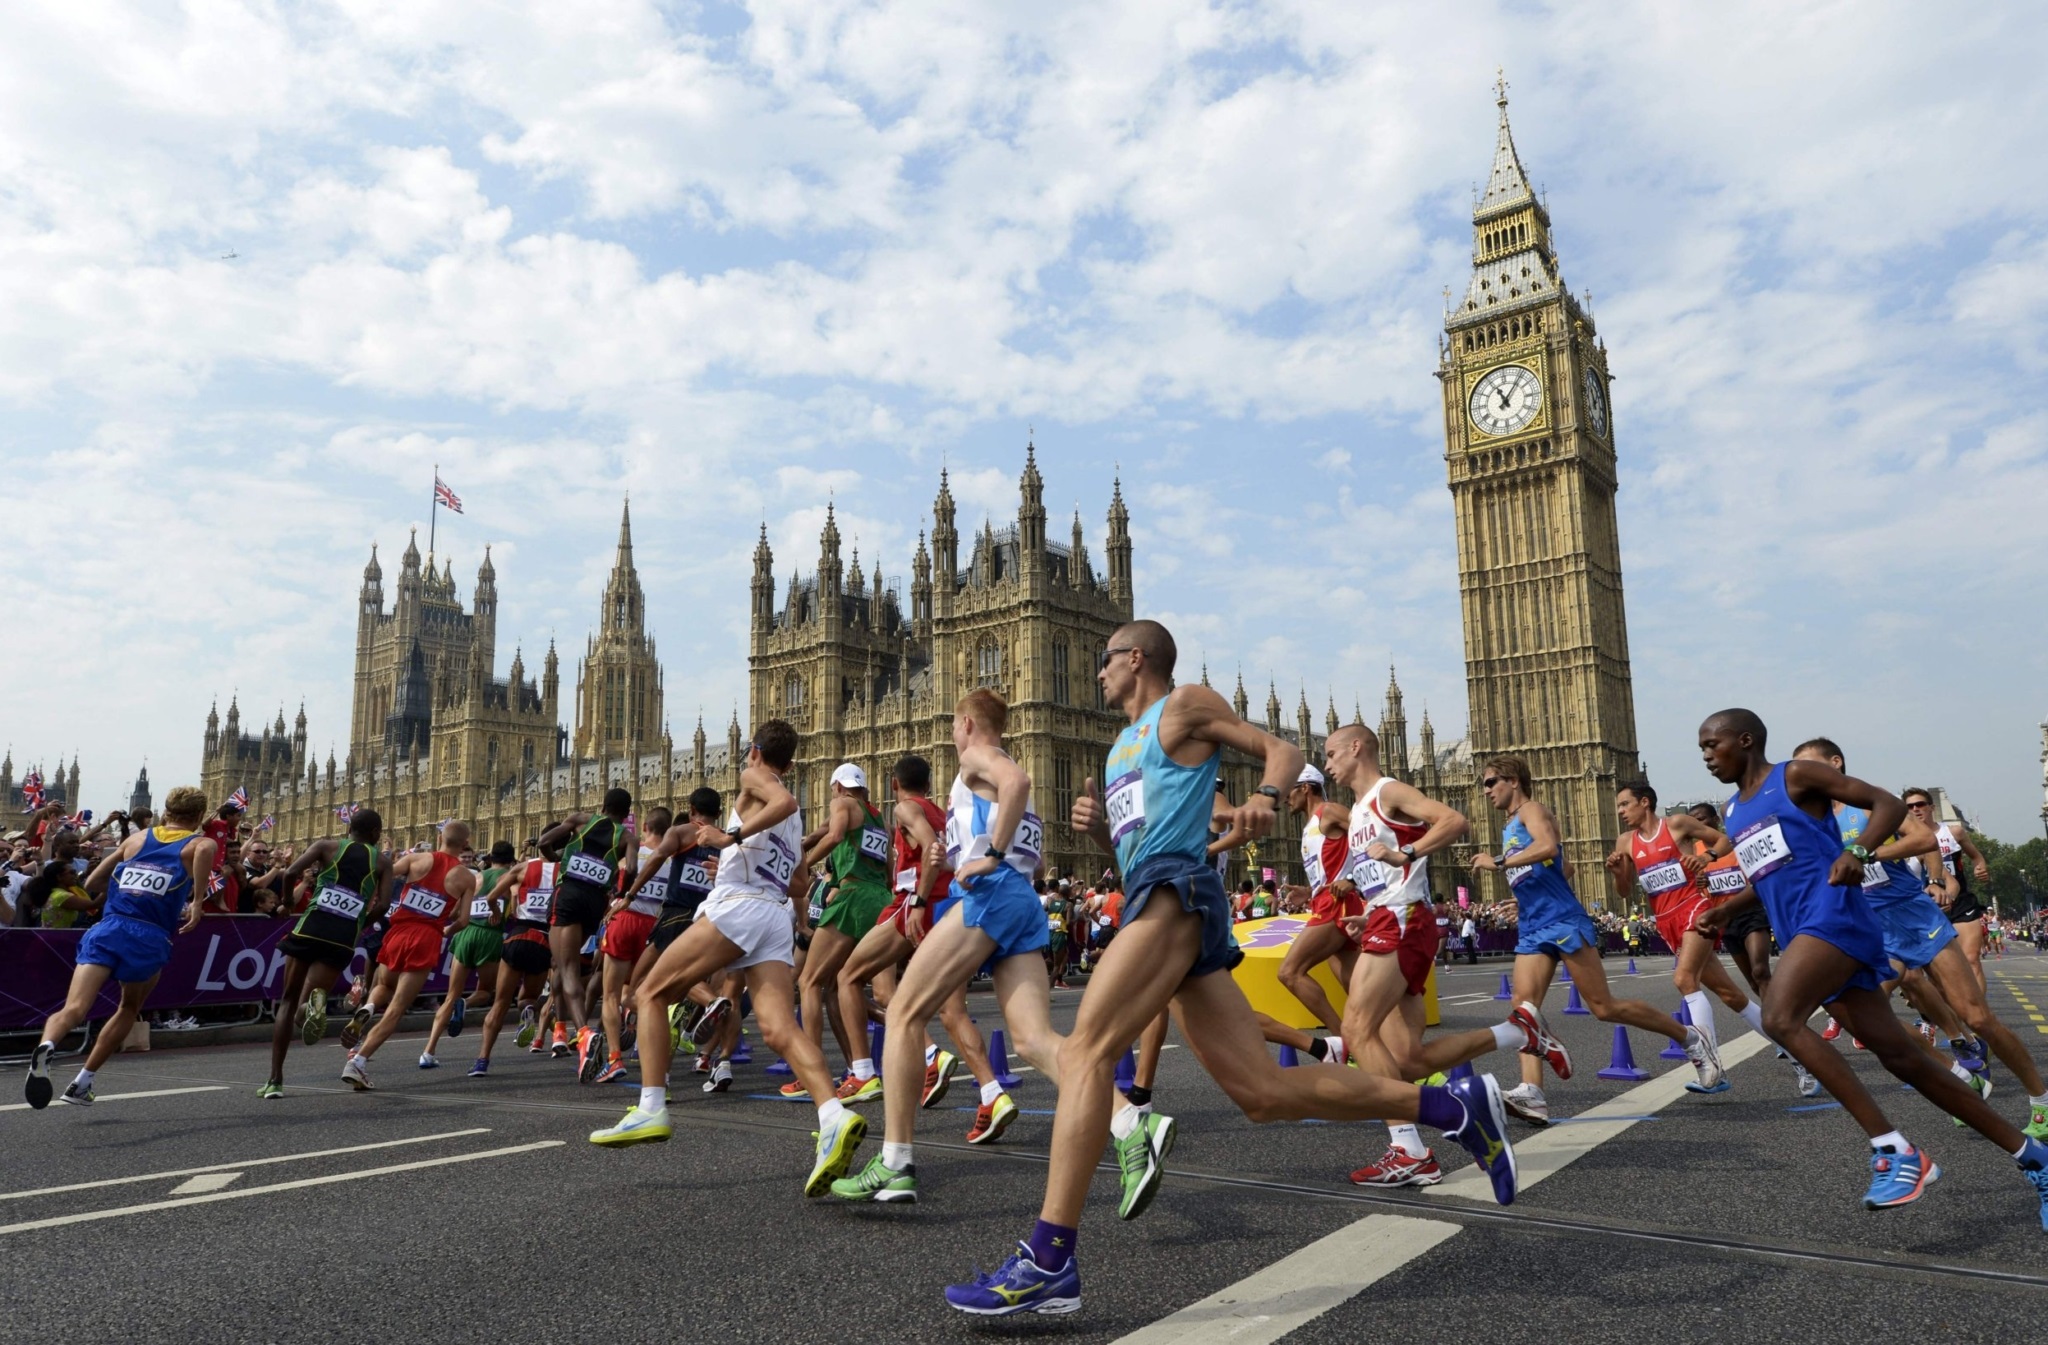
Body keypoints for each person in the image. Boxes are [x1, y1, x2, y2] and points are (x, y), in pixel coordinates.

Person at [944, 622, 1515, 1318]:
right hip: (1157, 892)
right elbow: (1138, 849)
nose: (1096, 674)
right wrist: (1100, 831)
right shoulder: (1122, 744)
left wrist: (1266, 799)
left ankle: (1049, 1258)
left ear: (1134, 659)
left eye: (1104, 661)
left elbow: (1282, 747)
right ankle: (1453, 1108)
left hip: (1175, 894)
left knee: (1088, 1049)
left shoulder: (1182, 704)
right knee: (1264, 1091)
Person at [1695, 711, 2048, 1218]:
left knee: (1778, 1018)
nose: (1706, 755)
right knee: (1904, 1059)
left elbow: (1883, 802)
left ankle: (1895, 1149)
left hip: (1835, 920)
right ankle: (2034, 1158)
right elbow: (1768, 874)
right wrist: (1725, 909)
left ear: (1745, 741)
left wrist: (1858, 849)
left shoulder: (1794, 775)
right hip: (1803, 933)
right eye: (1702, 748)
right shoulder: (1732, 810)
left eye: (1713, 744)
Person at [832, 691, 1099, 1203]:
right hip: (1018, 898)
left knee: (905, 1009)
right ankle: (1132, 1124)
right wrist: (956, 856)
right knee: (1034, 1040)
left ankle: (896, 1161)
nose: (951, 734)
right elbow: (1035, 862)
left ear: (968, 722)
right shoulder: (1002, 783)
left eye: (954, 724)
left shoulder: (982, 758)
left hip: (990, 897)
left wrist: (988, 857)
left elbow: (1011, 796)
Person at [588, 721, 868, 1201]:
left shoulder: (755, 778)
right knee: (780, 1029)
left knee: (649, 992)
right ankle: (833, 1116)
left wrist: (729, 840)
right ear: (793, 762)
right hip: (774, 917)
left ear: (756, 751)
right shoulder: (793, 823)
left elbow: (784, 802)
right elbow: (799, 883)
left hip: (739, 908)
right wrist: (747, 854)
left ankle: (651, 1106)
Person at [1322, 722, 1566, 1187]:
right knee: (1409, 1060)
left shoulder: (1387, 790)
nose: (1328, 763)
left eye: (1332, 754)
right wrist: (1366, 906)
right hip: (1387, 917)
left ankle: (1409, 1150)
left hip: (1401, 920)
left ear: (1356, 748)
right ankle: (1516, 1031)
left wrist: (1407, 853)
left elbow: (1455, 821)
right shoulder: (1357, 811)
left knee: (1356, 1028)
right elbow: (1381, 874)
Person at [1472, 757, 1720, 1125]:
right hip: (1534, 924)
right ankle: (1532, 1094)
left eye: (1491, 782)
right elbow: (1566, 868)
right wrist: (1525, 896)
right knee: (1524, 1009)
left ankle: (1689, 1038)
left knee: (1604, 1007)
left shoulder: (1531, 810)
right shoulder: (1510, 824)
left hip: (1562, 921)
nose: (1487, 790)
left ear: (1512, 781)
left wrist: (1498, 862)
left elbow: (1548, 848)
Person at [826, 755, 1013, 1141]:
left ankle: (862, 1072)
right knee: (948, 1010)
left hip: (914, 905)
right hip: (952, 908)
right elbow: (949, 857)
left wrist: (920, 901)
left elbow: (931, 851)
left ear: (894, 784)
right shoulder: (942, 812)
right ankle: (991, 1092)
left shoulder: (906, 809)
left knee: (846, 976)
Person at [24, 786, 216, 1109]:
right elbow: (205, 851)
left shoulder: (135, 841)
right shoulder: (198, 842)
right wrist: (196, 901)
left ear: (166, 812)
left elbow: (93, 882)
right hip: (149, 936)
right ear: (198, 817)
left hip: (109, 928)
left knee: (73, 1009)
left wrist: (125, 885)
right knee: (128, 1007)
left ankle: (47, 1044)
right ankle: (82, 1082)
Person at [1605, 779, 1777, 1094]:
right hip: (1666, 919)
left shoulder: (1677, 824)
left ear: (1645, 802)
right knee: (1731, 996)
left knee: (1684, 979)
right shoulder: (1625, 842)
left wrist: (1706, 857)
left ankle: (1709, 1066)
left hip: (1694, 908)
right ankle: (1796, 1050)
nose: (1620, 811)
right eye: (1618, 806)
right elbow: (1625, 890)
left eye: (1625, 804)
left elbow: (1724, 840)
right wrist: (1618, 873)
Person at [259, 809, 392, 1098]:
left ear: (349, 829)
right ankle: (313, 1007)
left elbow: (291, 872)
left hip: (311, 927)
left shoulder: (326, 847)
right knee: (306, 1002)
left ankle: (275, 1081)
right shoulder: (381, 862)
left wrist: (287, 904)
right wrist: (360, 922)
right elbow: (382, 906)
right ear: (375, 834)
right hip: (342, 937)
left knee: (288, 1003)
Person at [342, 822, 477, 1091]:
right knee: (396, 1009)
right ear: (465, 844)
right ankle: (357, 1062)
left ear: (440, 837)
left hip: (397, 932)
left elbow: (383, 872)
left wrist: (372, 902)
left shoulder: (415, 858)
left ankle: (367, 1009)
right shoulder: (466, 877)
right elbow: (463, 920)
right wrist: (444, 929)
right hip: (426, 936)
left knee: (382, 985)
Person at [789, 764, 897, 1100]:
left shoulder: (841, 804)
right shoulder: (880, 820)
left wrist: (801, 866)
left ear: (837, 786)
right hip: (880, 899)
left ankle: (810, 1072)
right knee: (842, 986)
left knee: (808, 981)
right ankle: (860, 1069)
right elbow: (889, 869)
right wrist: (804, 843)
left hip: (852, 898)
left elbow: (834, 835)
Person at [537, 788, 637, 1082]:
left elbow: (544, 842)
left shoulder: (581, 819)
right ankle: (563, 1029)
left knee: (566, 969)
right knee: (564, 966)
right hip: (596, 901)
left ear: (603, 805)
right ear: (626, 813)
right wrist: (621, 890)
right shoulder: (627, 837)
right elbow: (630, 868)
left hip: (568, 893)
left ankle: (582, 1033)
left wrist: (556, 857)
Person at [1273, 765, 1354, 1051]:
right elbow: (1332, 869)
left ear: (1305, 787)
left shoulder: (1329, 811)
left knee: (1289, 972)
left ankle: (1346, 1043)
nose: (1285, 798)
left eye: (1289, 790)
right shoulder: (1310, 826)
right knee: (1359, 993)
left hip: (1337, 906)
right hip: (1326, 901)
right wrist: (1309, 891)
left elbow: (1374, 833)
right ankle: (1381, 1049)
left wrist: (1353, 879)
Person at [592, 808, 673, 1084]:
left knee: (610, 995)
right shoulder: (672, 861)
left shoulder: (630, 853)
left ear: (646, 827)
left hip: (624, 920)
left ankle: (615, 1058)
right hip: (653, 925)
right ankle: (659, 1063)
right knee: (644, 993)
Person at [422, 837, 515, 1069]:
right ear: (512, 860)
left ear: (490, 858)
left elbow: (454, 912)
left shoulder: (476, 877)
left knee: (450, 995)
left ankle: (428, 1051)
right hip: (489, 936)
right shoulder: (509, 878)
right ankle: (465, 1003)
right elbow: (515, 905)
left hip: (465, 934)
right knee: (484, 991)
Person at [471, 845, 560, 1076]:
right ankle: (528, 1011)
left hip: (519, 934)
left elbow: (491, 897)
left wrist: (495, 912)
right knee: (528, 998)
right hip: (544, 939)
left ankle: (482, 1060)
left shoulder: (522, 868)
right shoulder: (566, 871)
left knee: (500, 1002)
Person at [1905, 788, 1993, 998]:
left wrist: (1980, 867)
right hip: (1926, 906)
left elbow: (1976, 857)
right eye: (1910, 806)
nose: (1916, 809)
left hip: (1960, 901)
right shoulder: (1905, 839)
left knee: (1971, 958)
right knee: (1933, 970)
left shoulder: (1953, 832)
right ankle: (1936, 1017)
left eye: (1920, 804)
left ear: (1931, 807)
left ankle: (1979, 1020)